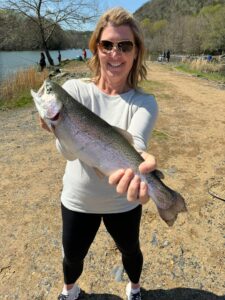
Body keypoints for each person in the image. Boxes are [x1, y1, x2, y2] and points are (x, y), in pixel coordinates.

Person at [40, 7, 158, 300]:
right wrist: (58, 129)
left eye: (124, 45)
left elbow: (138, 146)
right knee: (72, 256)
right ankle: (70, 290)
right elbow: (67, 154)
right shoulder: (73, 91)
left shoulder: (144, 103)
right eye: (107, 45)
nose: (115, 53)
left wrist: (145, 176)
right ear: (96, 48)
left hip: (123, 201)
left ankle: (134, 288)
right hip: (79, 199)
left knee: (131, 250)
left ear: (135, 52)